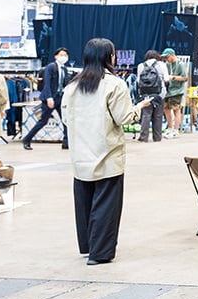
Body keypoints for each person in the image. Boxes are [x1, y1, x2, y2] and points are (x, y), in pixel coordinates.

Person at [62, 38, 151, 265]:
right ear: (110, 57)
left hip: (80, 155)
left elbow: (65, 119)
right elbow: (124, 118)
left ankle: (87, 246)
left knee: (84, 202)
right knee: (106, 206)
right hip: (107, 154)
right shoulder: (115, 84)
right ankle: (99, 253)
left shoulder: (72, 86)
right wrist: (140, 107)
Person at [23, 47, 71, 150]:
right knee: (43, 121)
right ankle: (27, 139)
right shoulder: (51, 67)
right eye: (61, 55)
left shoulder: (65, 69)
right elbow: (47, 83)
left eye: (65, 55)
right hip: (50, 98)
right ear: (56, 56)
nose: (63, 57)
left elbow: (65, 84)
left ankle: (66, 142)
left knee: (65, 120)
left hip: (60, 98)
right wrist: (49, 97)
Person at [135, 50, 169, 142]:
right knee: (158, 115)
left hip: (145, 94)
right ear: (157, 57)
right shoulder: (161, 65)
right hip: (159, 94)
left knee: (146, 115)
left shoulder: (141, 65)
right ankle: (157, 137)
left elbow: (138, 81)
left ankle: (143, 137)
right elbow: (166, 79)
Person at [161, 48, 190, 138]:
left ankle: (176, 130)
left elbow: (185, 78)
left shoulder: (181, 64)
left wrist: (172, 77)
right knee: (166, 109)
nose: (166, 59)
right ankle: (169, 128)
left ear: (172, 55)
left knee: (176, 110)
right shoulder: (167, 64)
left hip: (177, 90)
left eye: (167, 57)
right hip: (168, 90)